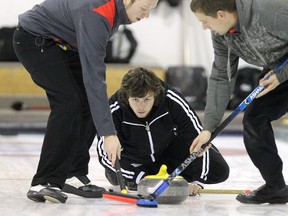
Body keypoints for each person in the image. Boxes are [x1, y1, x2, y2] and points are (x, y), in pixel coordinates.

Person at [13, 0, 159, 204]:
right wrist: (108, 133)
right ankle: (45, 180)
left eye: (151, 10)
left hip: (65, 44)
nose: (146, 16)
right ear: (127, 1)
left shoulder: (114, 11)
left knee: (88, 103)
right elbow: (94, 79)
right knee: (68, 103)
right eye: (144, 9)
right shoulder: (99, 14)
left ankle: (73, 172)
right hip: (35, 39)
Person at [190, 0, 288, 204]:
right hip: (278, 69)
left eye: (205, 21)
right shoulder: (221, 34)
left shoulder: (270, 11)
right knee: (254, 119)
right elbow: (221, 76)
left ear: (221, 14)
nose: (204, 27)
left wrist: (282, 75)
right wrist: (209, 127)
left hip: (282, 71)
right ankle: (276, 188)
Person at [96, 67, 229, 195]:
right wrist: (139, 176)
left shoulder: (170, 98)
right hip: (134, 163)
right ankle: (138, 177)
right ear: (127, 96)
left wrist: (198, 180)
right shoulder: (115, 107)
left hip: (166, 155)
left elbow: (198, 138)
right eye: (135, 100)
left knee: (219, 170)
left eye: (147, 99)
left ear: (155, 95)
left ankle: (161, 176)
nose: (141, 107)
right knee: (117, 172)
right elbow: (103, 152)